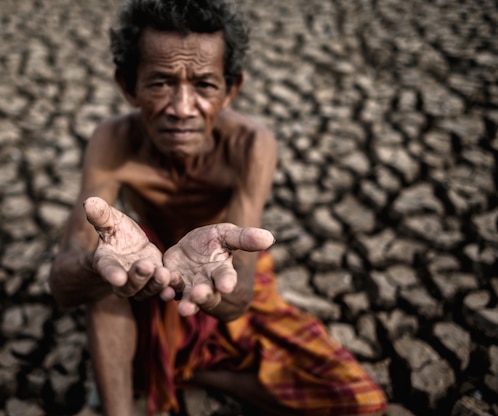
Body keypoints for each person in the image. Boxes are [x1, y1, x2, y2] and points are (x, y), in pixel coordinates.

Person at [48, 0, 388, 415]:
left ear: (231, 90)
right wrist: (95, 266)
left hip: (213, 271)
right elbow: (64, 285)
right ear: (128, 85)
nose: (182, 108)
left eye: (205, 85)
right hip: (148, 270)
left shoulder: (249, 145)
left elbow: (238, 295)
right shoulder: (114, 140)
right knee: (111, 269)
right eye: (159, 83)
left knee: (361, 400)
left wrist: (204, 290)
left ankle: (185, 367)